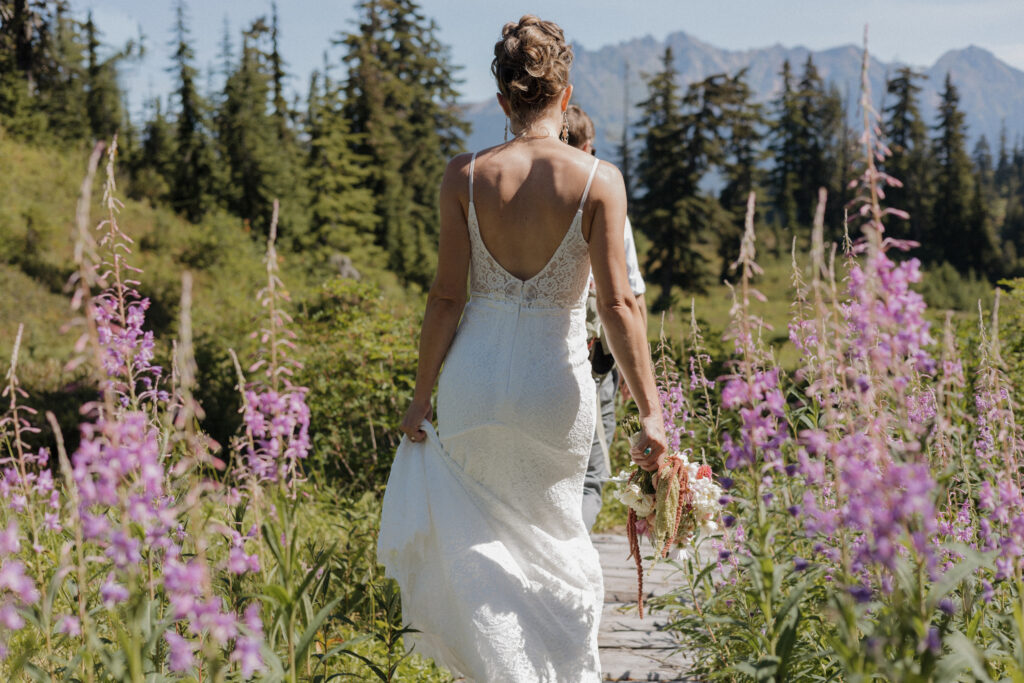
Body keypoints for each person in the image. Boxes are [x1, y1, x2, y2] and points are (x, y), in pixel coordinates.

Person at [377, 15, 666, 682]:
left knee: (481, 553)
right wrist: (651, 411)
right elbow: (620, 306)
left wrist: (421, 397)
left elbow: (446, 298)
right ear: (564, 97)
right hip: (554, 386)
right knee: (559, 542)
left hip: (473, 381)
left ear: (504, 102)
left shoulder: (464, 177)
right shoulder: (599, 181)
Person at [565, 105, 648, 532]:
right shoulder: (603, 196)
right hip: (597, 357)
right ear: (585, 148)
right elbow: (629, 297)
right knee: (591, 478)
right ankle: (570, 564)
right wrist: (643, 379)